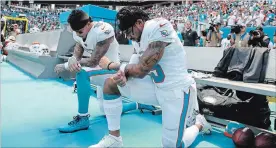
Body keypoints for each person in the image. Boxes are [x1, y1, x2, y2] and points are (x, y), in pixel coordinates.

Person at [90, 6, 212, 148]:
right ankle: (114, 140)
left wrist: (112, 65)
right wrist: (124, 77)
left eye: (128, 32)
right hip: (154, 87)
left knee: (172, 146)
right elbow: (133, 66)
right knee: (110, 85)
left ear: (139, 23)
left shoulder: (158, 26)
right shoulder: (138, 37)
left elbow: (141, 69)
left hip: (176, 91)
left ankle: (199, 124)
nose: (128, 37)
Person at [57, 10, 154, 133]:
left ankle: (83, 118)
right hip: (98, 71)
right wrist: (74, 58)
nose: (78, 34)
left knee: (82, 73)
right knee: (104, 110)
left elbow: (94, 61)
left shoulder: (103, 30)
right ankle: (138, 104)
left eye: (80, 31)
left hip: (111, 69)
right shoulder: (79, 33)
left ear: (88, 23)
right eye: (75, 32)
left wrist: (67, 65)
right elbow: (79, 45)